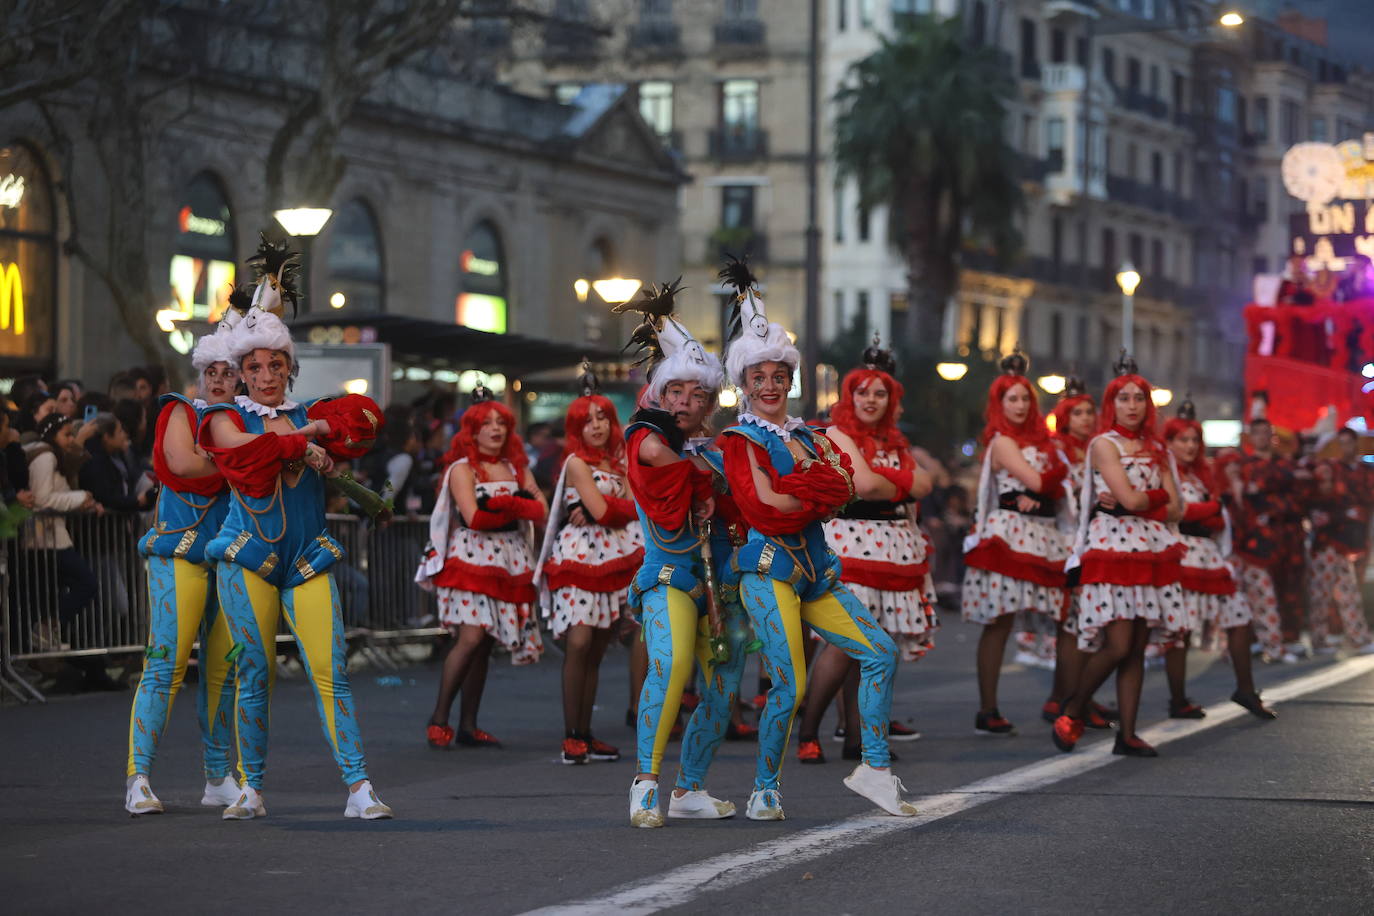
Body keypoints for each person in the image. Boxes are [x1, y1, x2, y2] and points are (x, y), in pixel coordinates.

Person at [200, 239, 391, 820]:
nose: (265, 376)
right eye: (254, 367)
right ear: (240, 373)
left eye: (275, 365)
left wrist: (321, 439)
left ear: (289, 367)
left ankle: (359, 788)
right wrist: (302, 443)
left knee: (331, 672)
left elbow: (366, 420)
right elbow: (243, 457)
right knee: (254, 672)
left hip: (307, 558)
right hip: (247, 558)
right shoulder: (224, 418)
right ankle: (251, 788)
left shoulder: (312, 414)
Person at [717, 259, 914, 820]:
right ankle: (764, 789)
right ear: (744, 385)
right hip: (766, 570)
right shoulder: (738, 439)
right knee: (790, 683)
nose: (770, 385)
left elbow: (845, 487)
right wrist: (817, 493)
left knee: (880, 652)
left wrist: (817, 491)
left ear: (790, 380)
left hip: (815, 569)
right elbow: (767, 507)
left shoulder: (807, 434)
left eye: (779, 376)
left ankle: (874, 768)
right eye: (759, 377)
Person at [620, 279, 747, 827]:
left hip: (723, 583)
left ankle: (690, 787)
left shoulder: (722, 451)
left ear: (711, 403)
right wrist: (703, 479)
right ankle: (645, 784)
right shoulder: (644, 438)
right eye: (676, 392)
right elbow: (657, 458)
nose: (686, 403)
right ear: (661, 395)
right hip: (669, 574)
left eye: (698, 395)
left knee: (723, 687)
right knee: (669, 665)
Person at [123, 319, 243, 815]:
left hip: (229, 558)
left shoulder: (246, 422)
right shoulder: (180, 408)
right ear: (200, 373)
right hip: (178, 555)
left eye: (228, 372)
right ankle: (138, 778)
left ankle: (218, 777)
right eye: (211, 371)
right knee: (166, 665)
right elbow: (183, 462)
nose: (218, 380)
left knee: (223, 671)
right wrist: (248, 460)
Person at [797, 334, 935, 765]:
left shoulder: (896, 440)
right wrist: (900, 484)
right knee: (843, 644)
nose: (871, 400)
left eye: (880, 393)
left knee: (875, 647)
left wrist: (889, 483)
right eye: (863, 392)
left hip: (894, 549)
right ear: (849, 395)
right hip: (852, 547)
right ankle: (808, 732)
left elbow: (926, 484)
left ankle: (859, 738)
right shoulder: (837, 434)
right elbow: (865, 485)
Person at [1054, 352, 1187, 757]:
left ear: (1148, 404)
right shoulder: (1103, 444)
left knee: (1138, 645)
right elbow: (1131, 499)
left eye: (1139, 398)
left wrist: (1144, 501)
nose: (1132, 406)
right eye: (1123, 398)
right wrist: (1153, 497)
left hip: (1150, 548)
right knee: (1118, 644)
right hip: (1111, 547)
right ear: (1111, 404)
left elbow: (1176, 509)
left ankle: (1126, 734)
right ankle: (1073, 707)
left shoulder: (1157, 448)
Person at [416, 387, 545, 751]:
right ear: (471, 430)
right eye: (486, 423)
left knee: (485, 643)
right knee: (471, 638)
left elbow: (541, 510)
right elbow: (474, 518)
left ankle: (468, 725)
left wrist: (508, 506)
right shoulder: (462, 468)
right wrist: (517, 504)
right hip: (471, 558)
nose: (495, 429)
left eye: (500, 422)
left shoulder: (516, 467)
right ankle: (439, 718)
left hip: (509, 559)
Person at [535, 366, 643, 765]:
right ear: (575, 427)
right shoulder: (575, 463)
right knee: (579, 642)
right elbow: (610, 511)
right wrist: (604, 508)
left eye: (602, 418)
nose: (596, 426)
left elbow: (633, 507)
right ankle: (572, 736)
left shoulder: (620, 462)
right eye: (587, 420)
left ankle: (584, 734)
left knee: (597, 647)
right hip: (578, 558)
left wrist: (603, 507)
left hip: (613, 557)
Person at [961, 352, 1071, 735]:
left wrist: (1048, 488)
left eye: (1025, 398)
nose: (1020, 405)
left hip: (1045, 534)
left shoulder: (1044, 442)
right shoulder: (1002, 441)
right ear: (999, 403)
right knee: (1000, 622)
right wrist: (1060, 474)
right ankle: (987, 709)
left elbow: (1053, 490)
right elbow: (1042, 482)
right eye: (1012, 399)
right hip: (1009, 535)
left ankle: (1065, 700)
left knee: (1065, 617)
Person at [1161, 400, 1277, 721]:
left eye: (1194, 440)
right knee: (1180, 630)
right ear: (1169, 442)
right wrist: (1207, 511)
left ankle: (1245, 690)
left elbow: (1214, 518)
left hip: (1210, 556)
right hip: (1179, 554)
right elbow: (1179, 512)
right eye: (1182, 439)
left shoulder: (1201, 474)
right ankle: (1177, 700)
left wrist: (1205, 512)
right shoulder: (1163, 472)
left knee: (1239, 618)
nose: (1189, 446)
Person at [22, 412, 103, 670]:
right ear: (51, 434)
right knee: (86, 582)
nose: (70, 440)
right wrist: (80, 498)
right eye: (66, 434)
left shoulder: (54, 457)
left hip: (52, 537)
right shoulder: (45, 457)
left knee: (69, 587)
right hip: (44, 538)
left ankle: (48, 629)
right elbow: (42, 499)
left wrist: (82, 501)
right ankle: (46, 628)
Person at [1225, 417, 1294, 663]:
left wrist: (1266, 506)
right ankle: (1237, 647)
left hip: (1271, 542)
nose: (1262, 437)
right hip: (1238, 545)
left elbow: (1292, 499)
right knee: (1236, 599)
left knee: (1269, 595)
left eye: (1266, 432)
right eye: (1257, 433)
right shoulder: (1240, 470)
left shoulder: (1282, 466)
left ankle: (1274, 646)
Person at [1306, 427, 1374, 653]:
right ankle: (1321, 640)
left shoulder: (1363, 471)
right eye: (1340, 443)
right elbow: (1316, 501)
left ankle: (1357, 638)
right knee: (1321, 594)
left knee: (1349, 593)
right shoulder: (1329, 469)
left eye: (1348, 442)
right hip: (1326, 543)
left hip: (1350, 542)